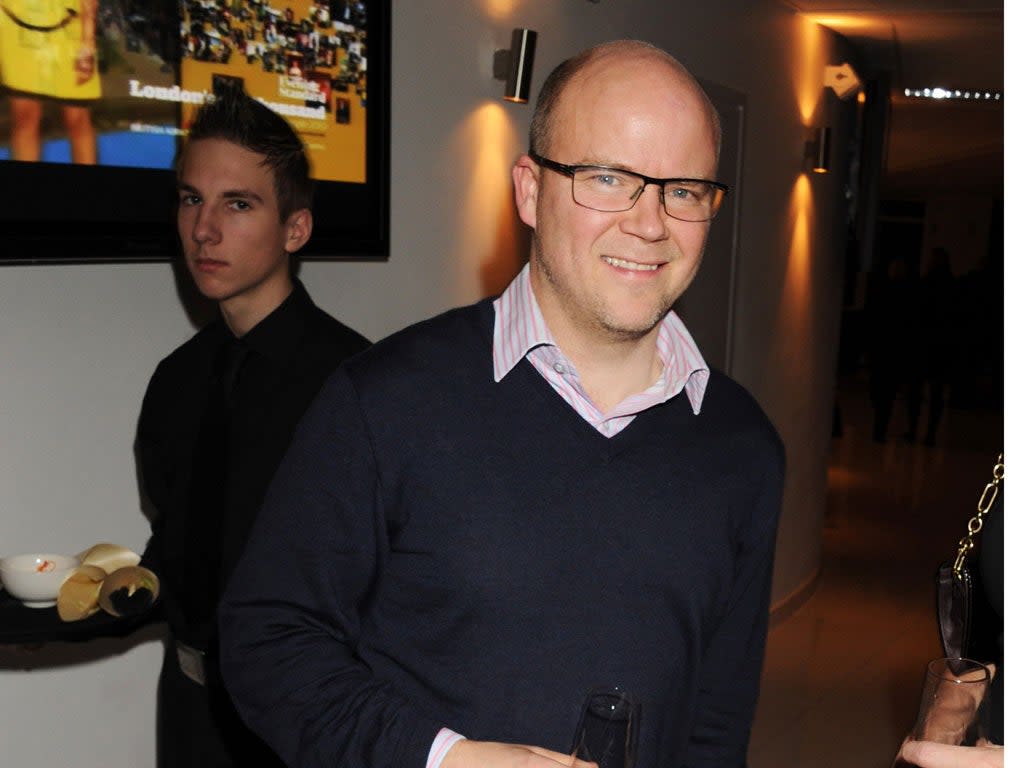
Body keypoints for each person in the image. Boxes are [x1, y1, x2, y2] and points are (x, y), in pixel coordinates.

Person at [219, 39, 785, 768]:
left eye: (683, 189)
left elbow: (716, 719)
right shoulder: (384, 401)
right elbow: (268, 639)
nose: (650, 224)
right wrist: (444, 759)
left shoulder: (744, 447)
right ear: (529, 190)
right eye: (607, 177)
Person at [136, 86, 371, 766]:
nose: (203, 229)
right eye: (191, 199)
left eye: (237, 204)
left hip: (305, 724)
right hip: (187, 712)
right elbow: (181, 547)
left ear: (295, 229)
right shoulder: (175, 381)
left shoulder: (356, 385)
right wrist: (88, 605)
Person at [0, 0, 100, 162]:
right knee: (24, 117)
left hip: (68, 21)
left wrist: (88, 40)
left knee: (77, 118)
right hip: (15, 19)